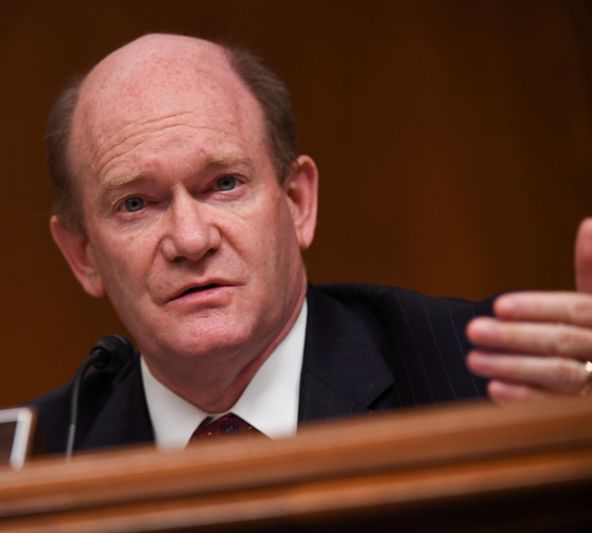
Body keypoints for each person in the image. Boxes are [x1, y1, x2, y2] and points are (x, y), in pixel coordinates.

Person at [32, 33, 592, 454]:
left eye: (224, 184)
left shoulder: (495, 379)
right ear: (82, 255)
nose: (190, 239)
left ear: (298, 203)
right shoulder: (35, 460)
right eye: (135, 204)